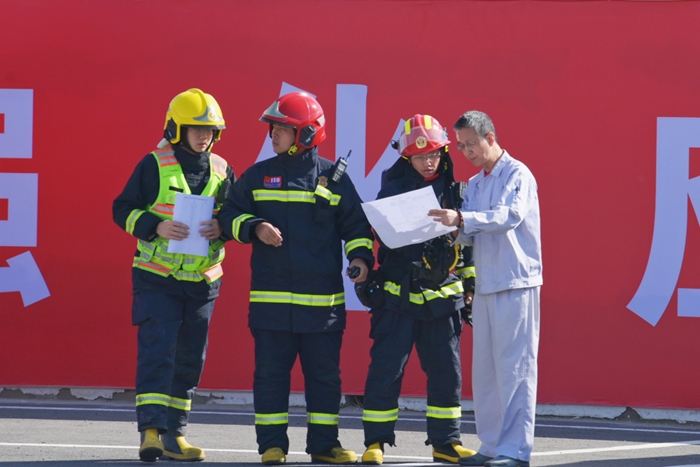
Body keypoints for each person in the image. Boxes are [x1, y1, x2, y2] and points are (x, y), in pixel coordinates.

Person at [217, 91, 375, 465]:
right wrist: (254, 227)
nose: (273, 135)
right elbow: (228, 216)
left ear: (306, 134)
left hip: (322, 308)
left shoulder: (334, 180)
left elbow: (357, 227)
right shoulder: (257, 176)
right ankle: (272, 446)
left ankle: (325, 446)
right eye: (273, 128)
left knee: (325, 380)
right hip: (272, 309)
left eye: (282, 129)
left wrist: (360, 259)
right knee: (271, 379)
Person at [113, 88, 235, 462]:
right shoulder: (153, 164)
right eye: (196, 129)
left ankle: (175, 436)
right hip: (157, 278)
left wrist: (223, 227)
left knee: (188, 359)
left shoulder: (223, 168)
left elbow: (235, 213)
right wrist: (156, 226)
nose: (204, 137)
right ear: (175, 129)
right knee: (157, 352)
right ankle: (151, 432)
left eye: (210, 130)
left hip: (202, 283)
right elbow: (122, 209)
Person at [358, 115, 477, 465]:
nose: (429, 162)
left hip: (443, 300)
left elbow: (467, 247)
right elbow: (370, 232)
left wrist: (469, 284)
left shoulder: (457, 192)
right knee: (386, 370)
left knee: (446, 372)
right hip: (396, 297)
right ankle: (375, 443)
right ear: (406, 158)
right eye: (420, 157)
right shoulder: (391, 191)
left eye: (435, 155)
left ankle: (447, 442)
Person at [429, 111, 542, 467]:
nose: (466, 152)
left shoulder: (517, 174)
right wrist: (441, 225)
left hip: (516, 281)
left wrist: (461, 219)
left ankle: (516, 450)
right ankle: (493, 446)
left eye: (471, 144)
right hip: (487, 285)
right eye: (461, 146)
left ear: (490, 137)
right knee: (487, 371)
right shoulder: (476, 183)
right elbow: (469, 232)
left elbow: (509, 216)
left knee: (516, 369)